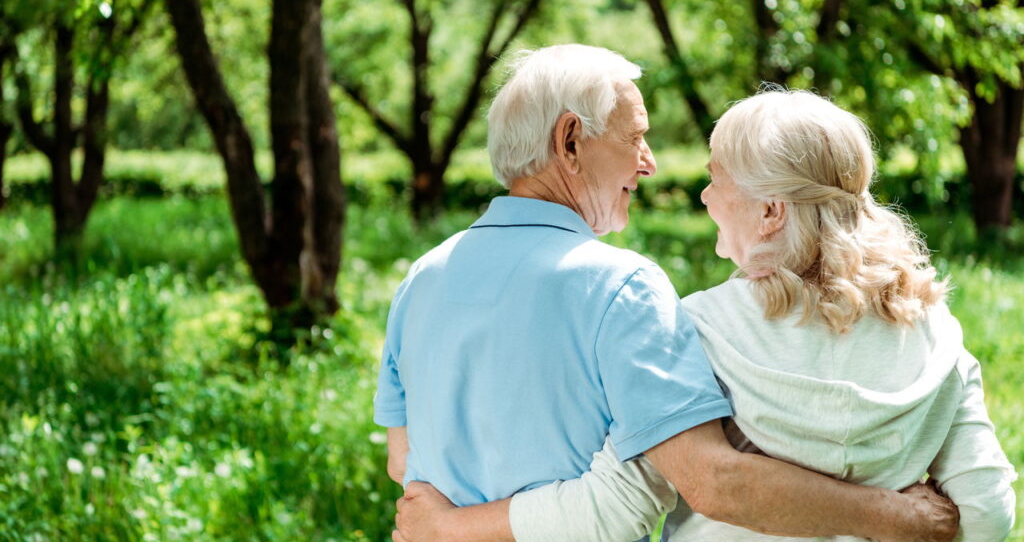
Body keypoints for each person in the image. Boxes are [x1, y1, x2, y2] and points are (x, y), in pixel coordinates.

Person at [375, 46, 959, 542]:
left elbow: (403, 463)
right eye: (636, 139)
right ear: (571, 141)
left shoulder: (420, 279)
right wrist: (902, 516)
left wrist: (449, 526)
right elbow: (693, 483)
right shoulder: (621, 287)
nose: (649, 164)